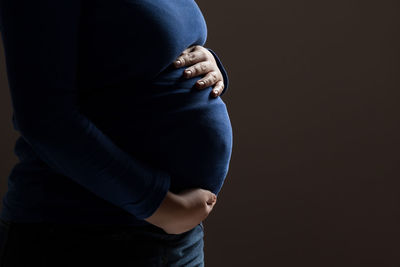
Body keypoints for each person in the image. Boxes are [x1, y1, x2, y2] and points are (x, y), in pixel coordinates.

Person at [0, 0, 233, 266]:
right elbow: (44, 118)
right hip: (83, 235)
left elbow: (136, 53)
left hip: (169, 235)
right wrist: (159, 205)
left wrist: (208, 64)